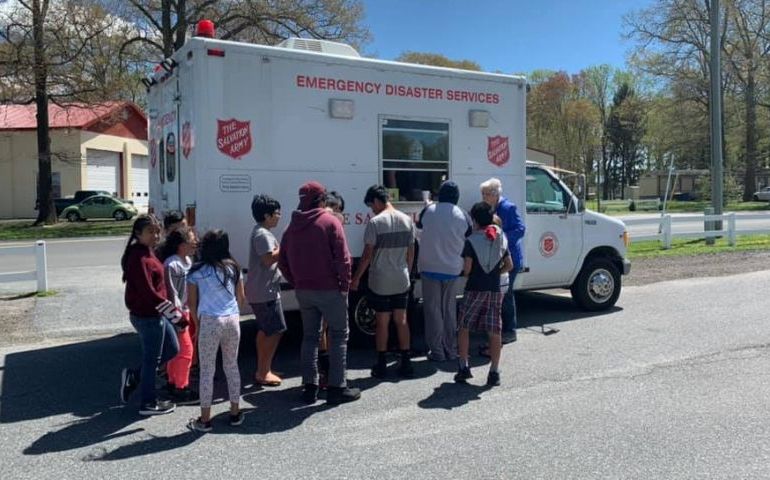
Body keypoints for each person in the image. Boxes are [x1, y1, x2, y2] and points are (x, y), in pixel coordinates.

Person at [278, 181, 361, 405]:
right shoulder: (331, 222)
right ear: (321, 200)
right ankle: (337, 387)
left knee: (310, 337)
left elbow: (282, 260)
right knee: (338, 336)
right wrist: (345, 286)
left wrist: (295, 281)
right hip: (330, 290)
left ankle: (310, 387)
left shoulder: (291, 227)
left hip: (304, 291)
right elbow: (344, 259)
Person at [351, 185, 416, 378]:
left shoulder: (375, 223)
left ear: (377, 201)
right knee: (401, 320)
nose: (372, 210)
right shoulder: (407, 220)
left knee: (382, 321)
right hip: (401, 277)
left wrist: (356, 279)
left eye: (372, 205)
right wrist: (408, 272)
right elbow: (410, 252)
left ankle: (381, 364)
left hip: (380, 279)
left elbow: (367, 255)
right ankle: (406, 363)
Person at [119, 214, 180, 415]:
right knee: (152, 359)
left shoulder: (149, 252)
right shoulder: (138, 257)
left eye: (157, 231)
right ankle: (148, 402)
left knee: (172, 349)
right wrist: (176, 315)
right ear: (138, 234)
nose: (155, 235)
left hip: (157, 315)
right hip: (147, 316)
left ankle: (134, 376)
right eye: (150, 232)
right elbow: (149, 294)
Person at [187, 230, 245, 432]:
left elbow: (192, 304)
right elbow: (241, 298)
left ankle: (205, 419)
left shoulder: (196, 272)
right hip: (232, 319)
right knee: (231, 366)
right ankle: (235, 412)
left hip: (210, 320)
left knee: (207, 371)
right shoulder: (233, 268)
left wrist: (198, 323)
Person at [455, 202, 512, 387]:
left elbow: (467, 269)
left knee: (464, 327)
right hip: (494, 289)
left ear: (474, 220)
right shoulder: (500, 237)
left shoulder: (471, 241)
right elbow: (509, 265)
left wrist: (467, 273)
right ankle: (494, 371)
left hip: (474, 289)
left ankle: (464, 367)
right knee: (495, 331)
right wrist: (496, 272)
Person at [416, 180, 472, 362]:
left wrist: (428, 205)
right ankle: (450, 348)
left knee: (433, 310)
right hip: (452, 269)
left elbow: (419, 226)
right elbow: (469, 235)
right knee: (449, 309)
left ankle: (437, 351)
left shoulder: (429, 210)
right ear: (456, 197)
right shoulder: (463, 215)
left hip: (429, 267)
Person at [480, 178, 525, 348]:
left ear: (494, 194)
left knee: (506, 295)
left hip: (510, 258)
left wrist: (501, 237)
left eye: (485, 194)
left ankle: (510, 331)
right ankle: (498, 329)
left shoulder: (507, 207)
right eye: (482, 194)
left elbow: (521, 229)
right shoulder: (492, 208)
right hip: (499, 258)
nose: (483, 197)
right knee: (500, 294)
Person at [246, 194, 286, 387]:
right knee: (275, 331)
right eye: (277, 213)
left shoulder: (261, 232)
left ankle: (264, 368)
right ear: (267, 215)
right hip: (265, 291)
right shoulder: (262, 234)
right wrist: (287, 245)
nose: (279, 216)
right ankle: (263, 372)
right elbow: (268, 259)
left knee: (266, 330)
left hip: (262, 290)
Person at [158, 226, 200, 405]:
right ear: (181, 245)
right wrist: (177, 317)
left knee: (178, 351)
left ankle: (173, 382)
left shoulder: (188, 261)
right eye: (191, 240)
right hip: (177, 313)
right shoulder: (172, 264)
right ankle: (181, 388)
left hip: (187, 311)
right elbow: (170, 293)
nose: (195, 243)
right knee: (186, 352)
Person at [318, 190, 346, 388]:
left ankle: (320, 376)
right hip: (331, 284)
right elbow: (342, 258)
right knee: (335, 331)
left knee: (317, 331)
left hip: (311, 283)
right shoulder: (333, 221)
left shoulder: (311, 221)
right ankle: (333, 379)